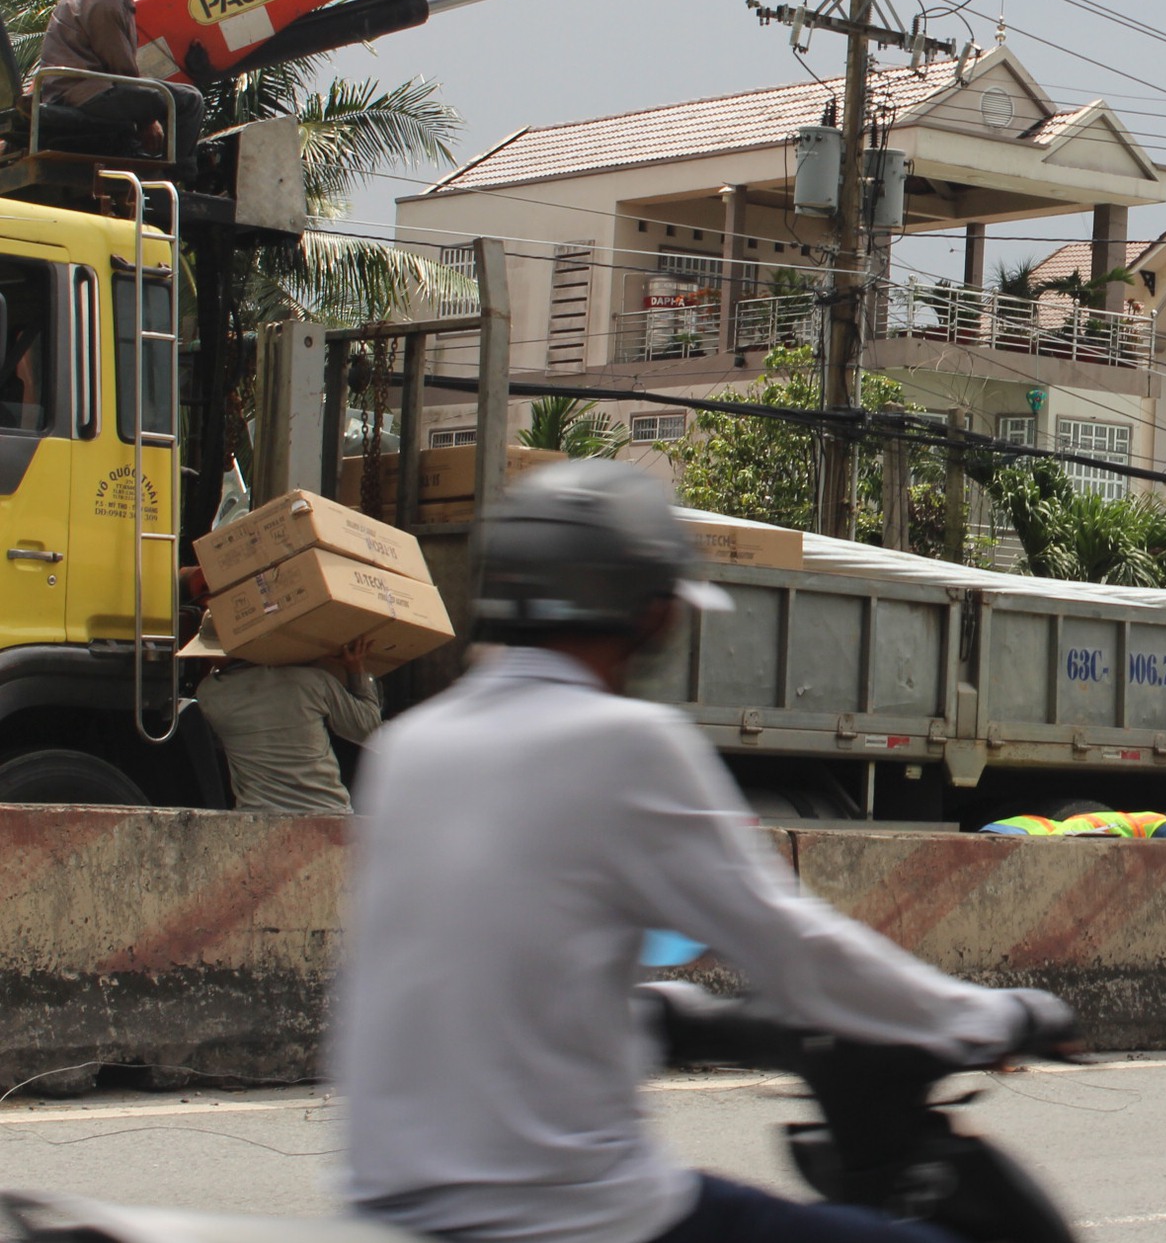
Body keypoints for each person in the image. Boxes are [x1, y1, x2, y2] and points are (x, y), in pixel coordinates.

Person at [333, 460, 1072, 1243]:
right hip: (574, 1216)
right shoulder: (624, 742)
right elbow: (795, 949)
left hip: (392, 1202)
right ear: (649, 614)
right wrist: (987, 1014)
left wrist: (653, 1013)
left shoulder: (411, 748)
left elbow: (487, 956)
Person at [33, 0, 204, 180]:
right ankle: (175, 177)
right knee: (188, 100)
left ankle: (149, 164)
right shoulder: (106, 4)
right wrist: (148, 121)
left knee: (160, 97)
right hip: (88, 93)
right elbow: (122, 71)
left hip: (70, 90)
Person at [189, 632, 382, 814]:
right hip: (327, 812)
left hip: (257, 816)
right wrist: (356, 669)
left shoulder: (209, 693)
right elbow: (368, 730)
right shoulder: (311, 682)